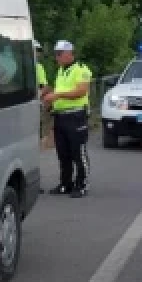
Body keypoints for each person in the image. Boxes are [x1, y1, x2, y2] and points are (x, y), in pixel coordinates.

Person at [43, 41, 92, 198]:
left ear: (70, 54)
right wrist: (51, 101)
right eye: (56, 54)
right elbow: (59, 90)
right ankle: (65, 183)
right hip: (60, 115)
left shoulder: (81, 69)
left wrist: (57, 95)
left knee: (78, 151)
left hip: (75, 115)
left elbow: (81, 91)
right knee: (63, 153)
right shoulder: (60, 71)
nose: (56, 57)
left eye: (59, 54)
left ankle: (82, 184)